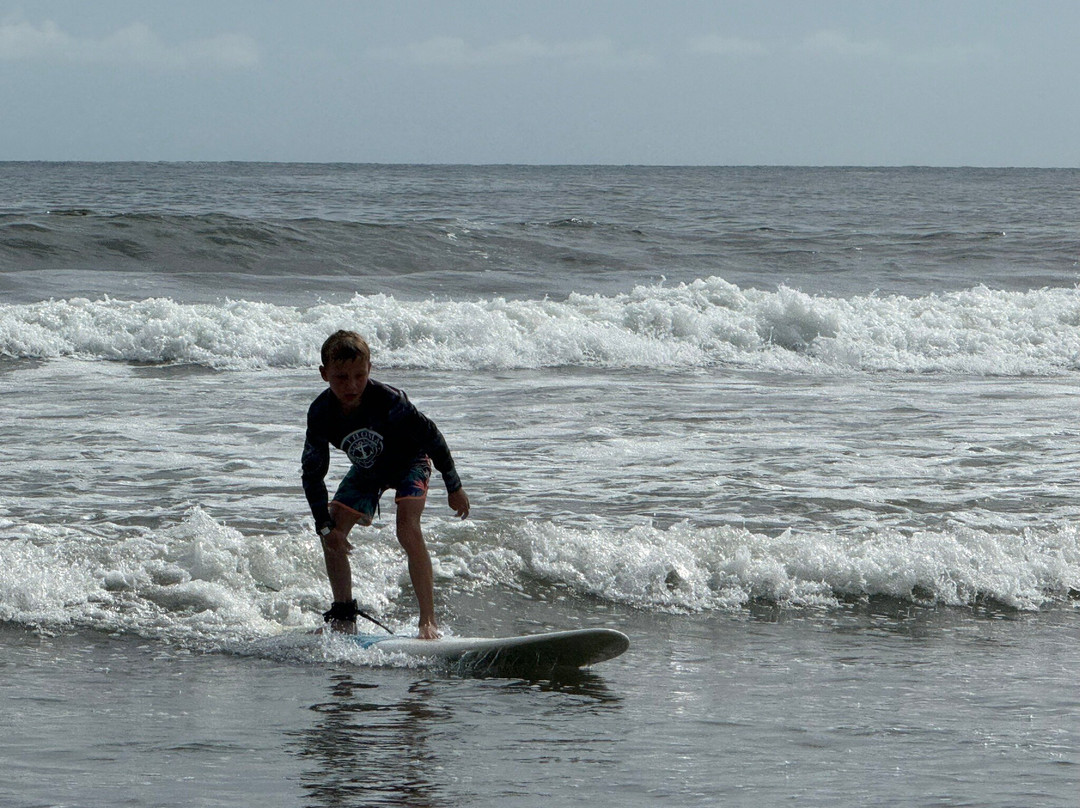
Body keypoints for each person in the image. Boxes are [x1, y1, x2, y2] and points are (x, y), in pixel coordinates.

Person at [301, 330, 469, 638]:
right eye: (340, 378)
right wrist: (325, 527)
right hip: (368, 471)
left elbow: (431, 435)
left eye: (359, 376)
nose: (351, 385)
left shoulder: (389, 400)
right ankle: (343, 616)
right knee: (333, 531)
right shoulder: (321, 413)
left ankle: (427, 620)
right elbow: (312, 474)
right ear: (324, 374)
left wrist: (453, 485)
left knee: (407, 528)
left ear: (369, 370)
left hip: (410, 463)